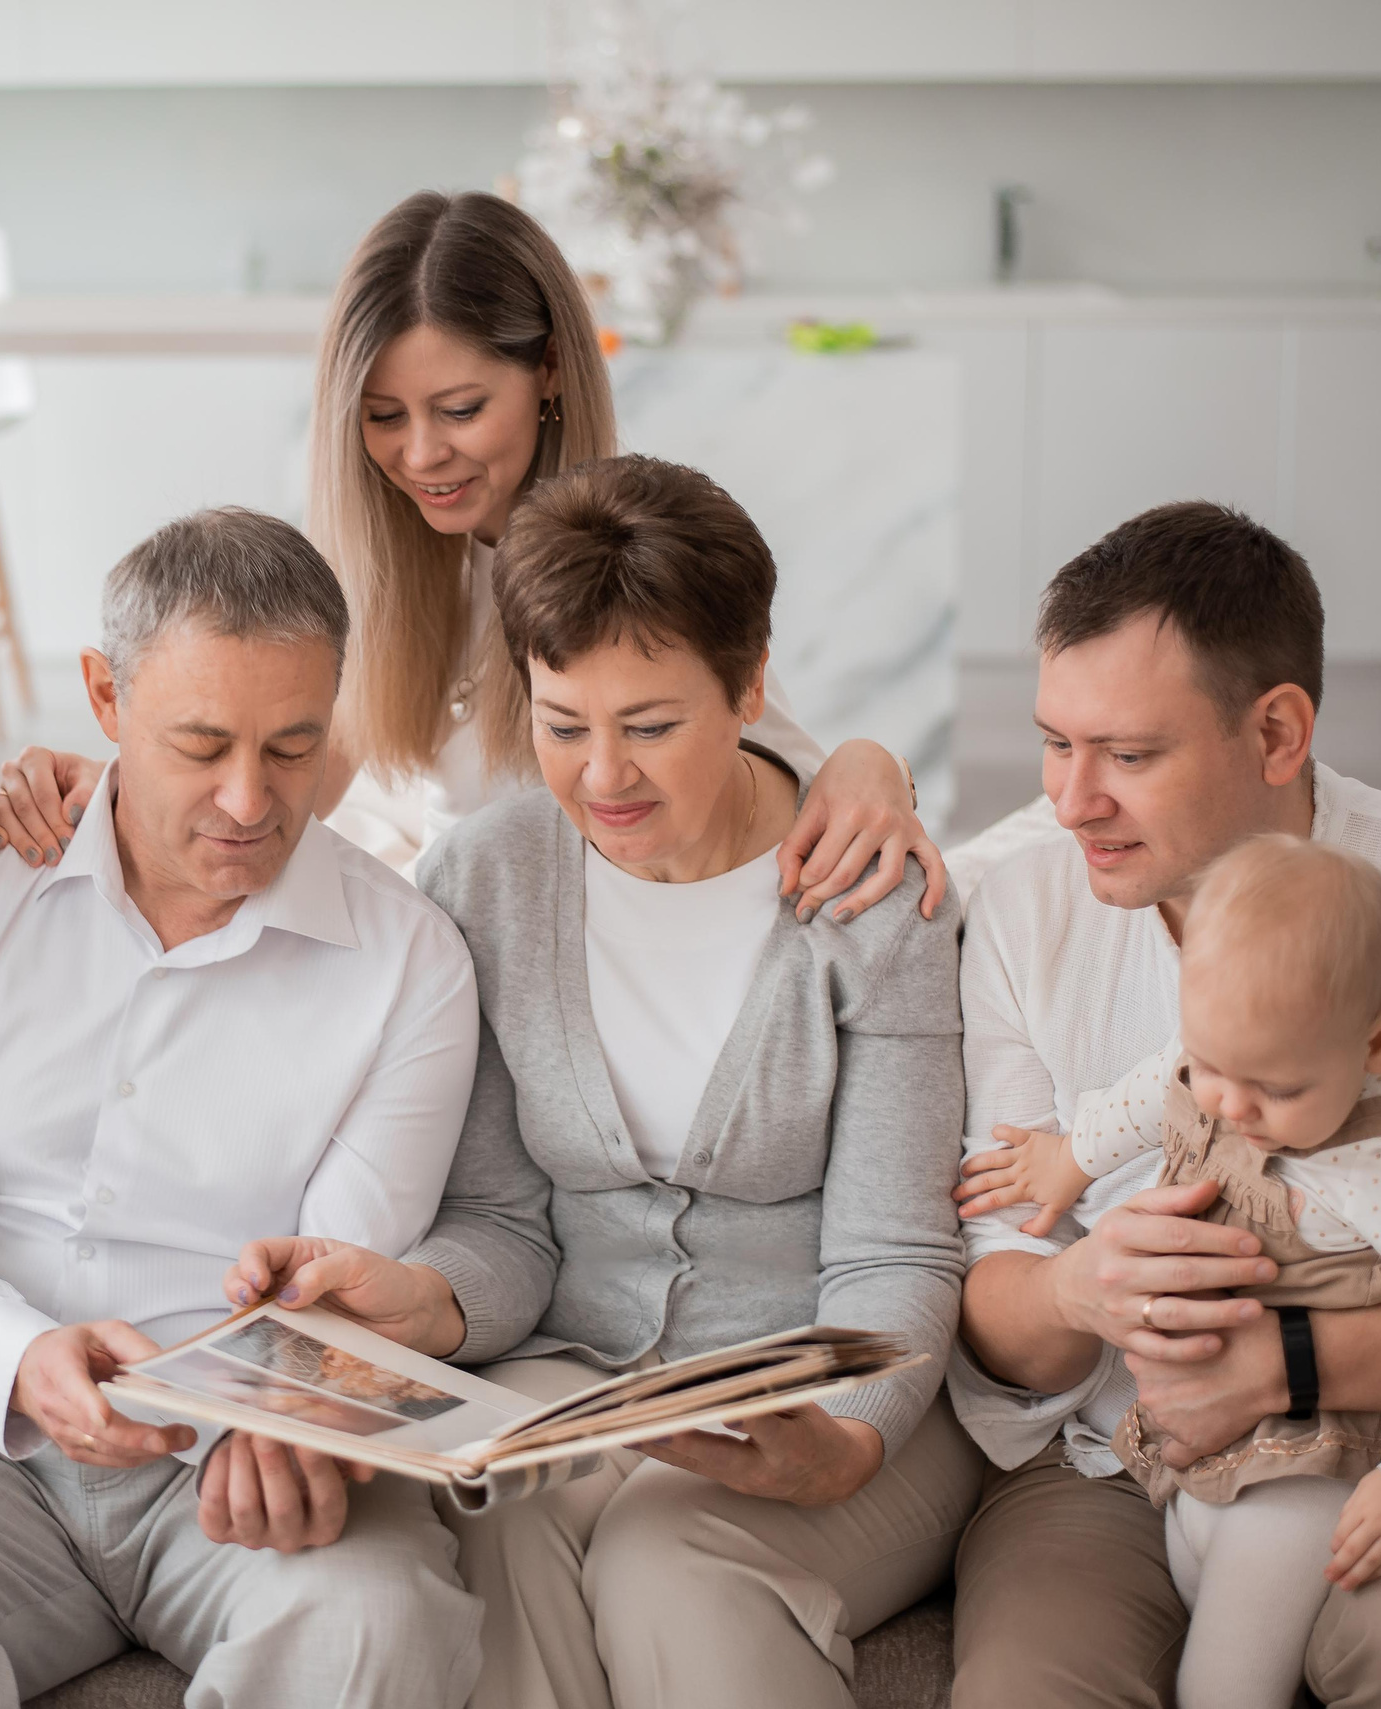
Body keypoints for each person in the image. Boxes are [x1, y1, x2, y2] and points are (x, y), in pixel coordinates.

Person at [219, 455, 977, 1709]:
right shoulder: (486, 875)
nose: (603, 777)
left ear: (747, 686)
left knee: (663, 1555)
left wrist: (841, 1442)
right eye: (562, 725)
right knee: (492, 1517)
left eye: (651, 725)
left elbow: (896, 1254)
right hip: (571, 1371)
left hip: (836, 1396)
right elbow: (508, 1228)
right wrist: (408, 1295)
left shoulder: (868, 900)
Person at [0, 508, 486, 1709]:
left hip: (236, 1462)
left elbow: (346, 1275)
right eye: (200, 744)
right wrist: (21, 1358)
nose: (248, 798)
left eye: (292, 747)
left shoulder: (411, 961)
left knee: (382, 1623)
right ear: (103, 697)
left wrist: (290, 1411)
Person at [944, 501, 1381, 1709]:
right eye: (1053, 742)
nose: (1070, 801)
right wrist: (1076, 1285)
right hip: (1116, 1459)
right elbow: (991, 1287)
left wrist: (1291, 1365)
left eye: (1127, 752)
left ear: (1275, 731)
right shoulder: (1015, 907)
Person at [0, 189, 942, 926]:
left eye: (462, 410)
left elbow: (756, 739)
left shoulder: (617, 559)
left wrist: (873, 765)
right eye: (384, 417)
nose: (420, 456)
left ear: (552, 368)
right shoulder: (382, 574)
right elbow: (292, 779)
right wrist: (114, 789)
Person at [963, 834, 1381, 1709]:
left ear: (1379, 1042)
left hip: (1316, 1466)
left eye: (1271, 1091)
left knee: (1223, 1686)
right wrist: (1067, 1161)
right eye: (1213, 1068)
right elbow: (1150, 1085)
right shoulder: (1235, 1051)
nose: (1230, 1108)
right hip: (1203, 1462)